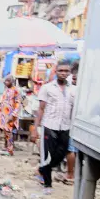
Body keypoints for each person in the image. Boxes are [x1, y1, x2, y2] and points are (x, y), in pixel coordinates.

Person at [32, 61, 75, 191]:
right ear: (56, 72)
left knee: (61, 155)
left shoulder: (74, 89)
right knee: (46, 156)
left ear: (69, 73)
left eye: (66, 71)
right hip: (49, 125)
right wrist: (35, 128)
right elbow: (41, 109)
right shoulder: (47, 88)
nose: (63, 73)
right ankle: (47, 185)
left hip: (66, 127)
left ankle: (41, 170)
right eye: (61, 70)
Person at [0, 75, 20, 156]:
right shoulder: (5, 90)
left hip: (9, 117)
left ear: (12, 81)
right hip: (1, 115)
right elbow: (2, 103)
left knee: (8, 134)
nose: (6, 82)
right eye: (5, 81)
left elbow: (18, 104)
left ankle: (10, 151)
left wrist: (13, 116)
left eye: (8, 80)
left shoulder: (16, 90)